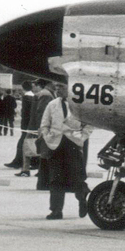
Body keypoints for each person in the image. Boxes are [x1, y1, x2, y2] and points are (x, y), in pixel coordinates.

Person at [38, 90, 92, 219]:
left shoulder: (80, 103)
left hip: (73, 144)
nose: (57, 89)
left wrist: (81, 137)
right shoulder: (52, 104)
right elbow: (44, 124)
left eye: (61, 86)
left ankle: (82, 198)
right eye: (56, 86)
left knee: (77, 177)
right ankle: (56, 210)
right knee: (55, 179)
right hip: (55, 145)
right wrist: (47, 136)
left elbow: (89, 124)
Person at [30, 80, 54, 190]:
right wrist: (41, 129)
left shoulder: (45, 93)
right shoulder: (47, 94)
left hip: (45, 129)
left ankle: (43, 183)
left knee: (45, 155)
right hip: (46, 130)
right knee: (46, 155)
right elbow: (42, 112)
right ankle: (44, 183)